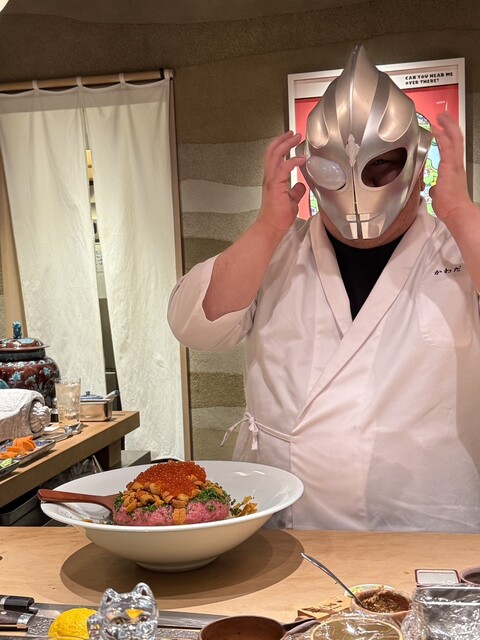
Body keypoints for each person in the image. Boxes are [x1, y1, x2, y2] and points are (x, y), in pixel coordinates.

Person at [168, 45, 480, 532]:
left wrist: (460, 211)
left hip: (426, 523)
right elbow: (196, 327)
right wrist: (268, 225)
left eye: (383, 165)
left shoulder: (458, 252)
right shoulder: (278, 252)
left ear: (419, 162)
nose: (360, 185)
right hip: (293, 523)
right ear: (309, 171)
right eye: (334, 167)